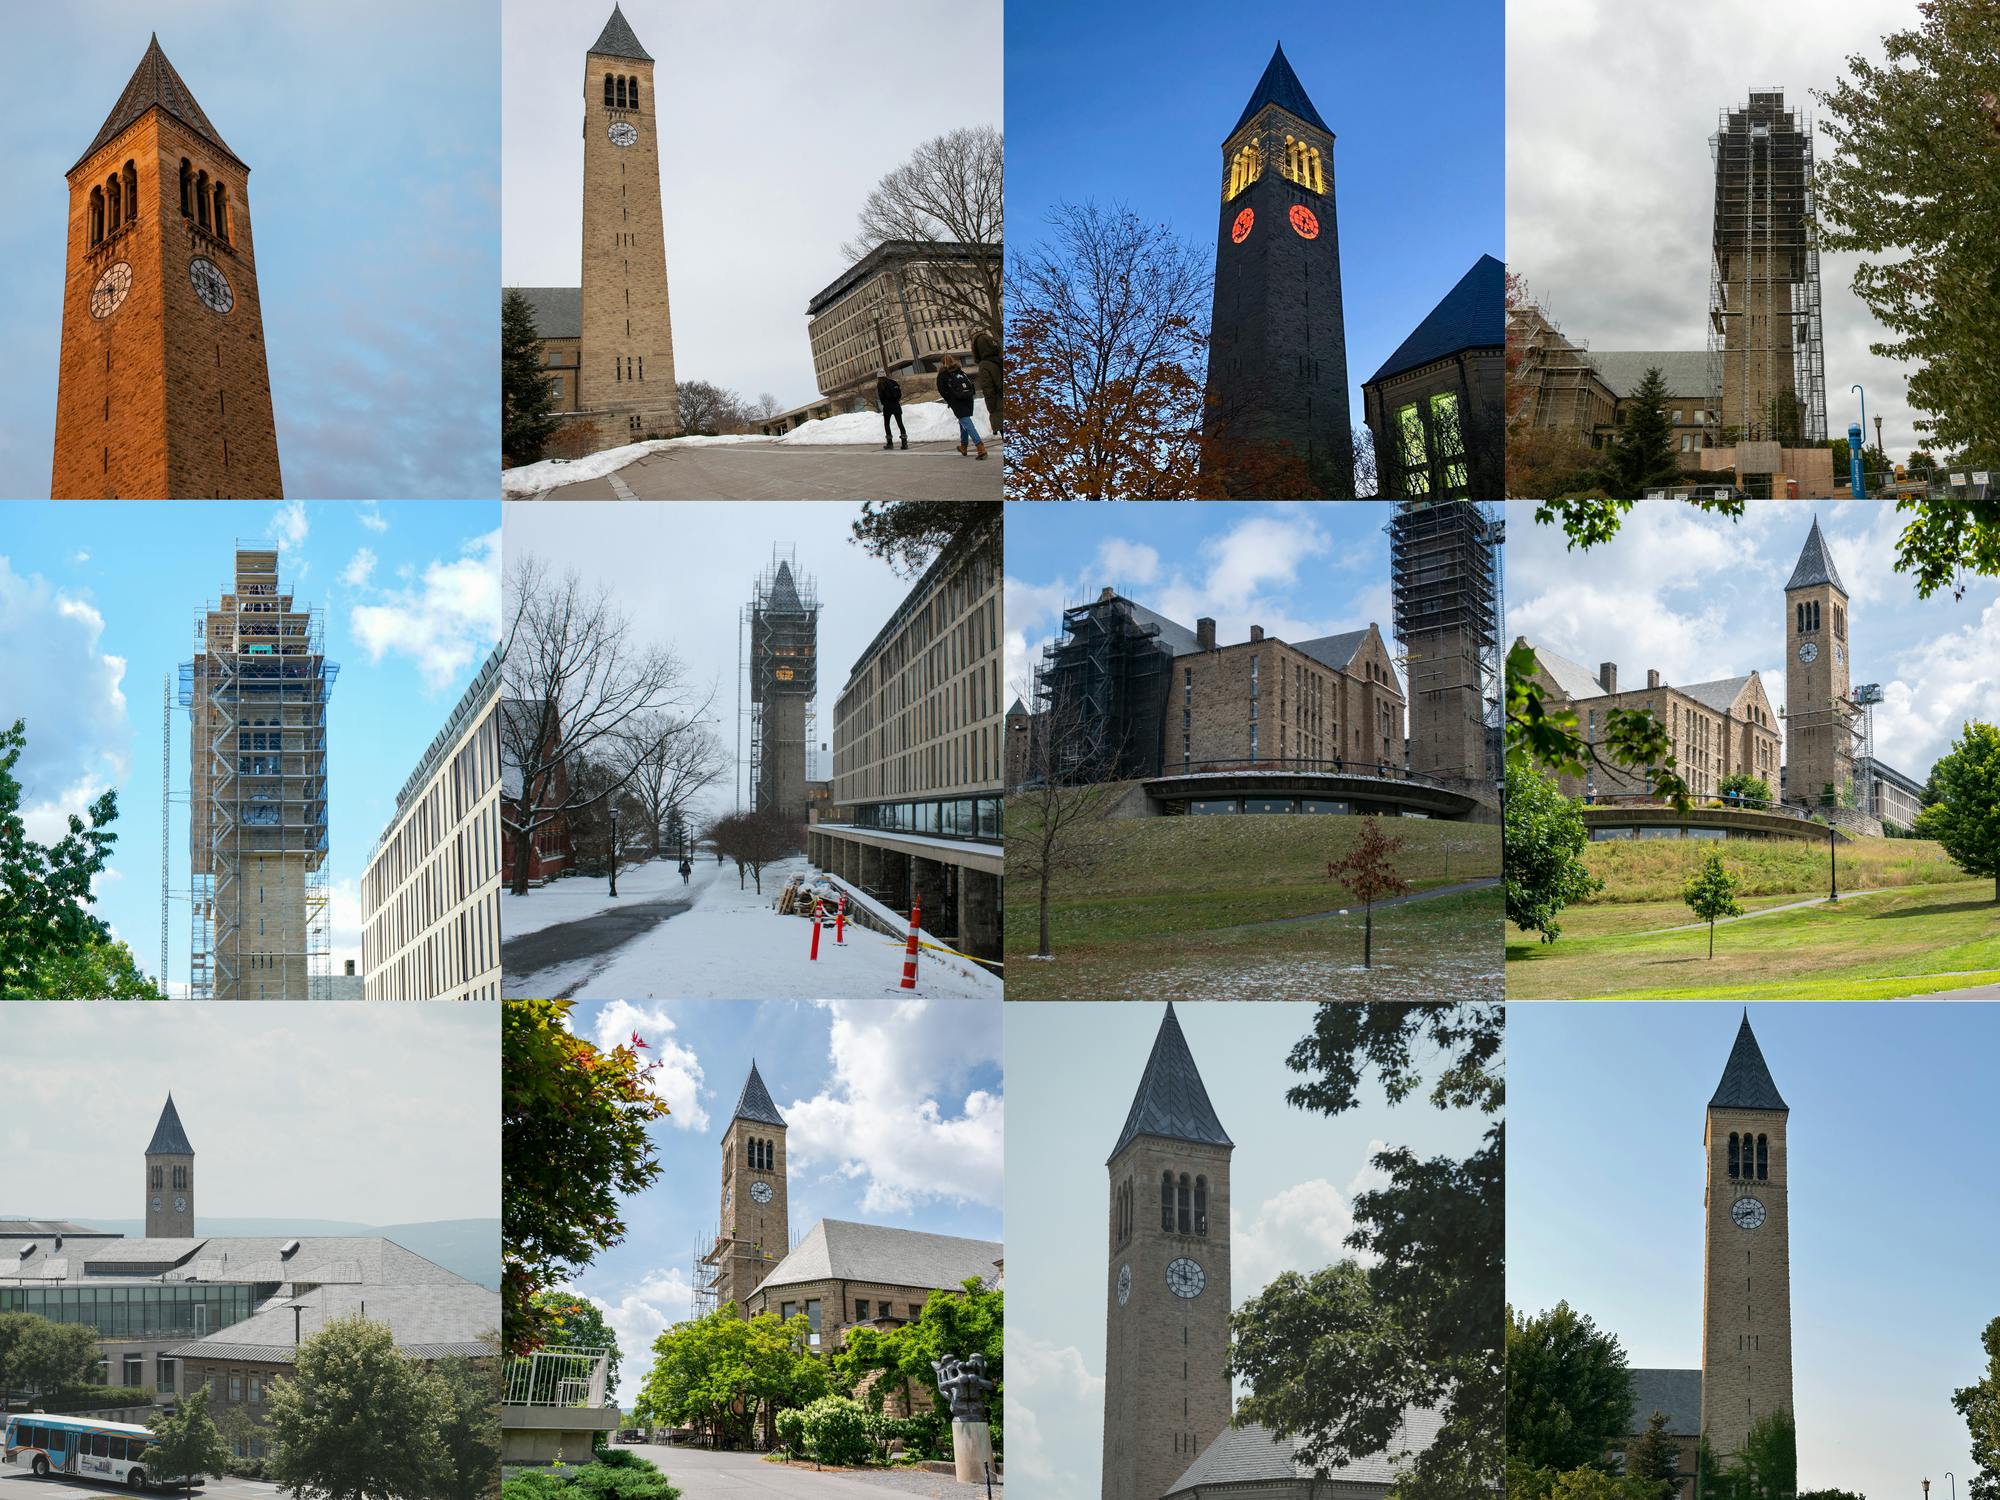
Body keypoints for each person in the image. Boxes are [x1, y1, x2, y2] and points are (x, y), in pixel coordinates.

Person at [937, 355, 986, 460]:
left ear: (942, 363)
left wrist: (950, 398)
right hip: (968, 399)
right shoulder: (960, 371)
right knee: (963, 421)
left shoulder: (943, 375)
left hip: (957, 401)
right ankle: (963, 446)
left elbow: (942, 390)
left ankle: (980, 447)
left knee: (967, 422)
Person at [971, 328, 1003, 434]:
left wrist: (991, 408)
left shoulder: (984, 365)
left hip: (999, 405)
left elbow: (988, 389)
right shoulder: (1000, 359)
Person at [877, 371, 907, 450]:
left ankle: (890, 443)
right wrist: (896, 400)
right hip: (896, 405)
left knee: (887, 424)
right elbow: (899, 394)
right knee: (900, 423)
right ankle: (904, 443)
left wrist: (884, 403)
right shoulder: (893, 382)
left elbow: (881, 397)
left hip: (887, 406)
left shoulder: (880, 384)